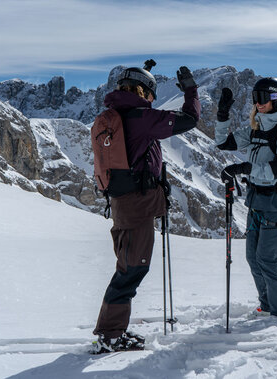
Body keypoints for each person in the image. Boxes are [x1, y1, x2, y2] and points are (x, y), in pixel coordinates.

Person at [92, 63, 200, 353]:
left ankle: (110, 332)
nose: (152, 100)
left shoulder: (115, 115)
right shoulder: (140, 117)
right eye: (150, 94)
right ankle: (110, 335)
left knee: (128, 268)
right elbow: (189, 119)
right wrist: (191, 90)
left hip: (125, 204)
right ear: (143, 91)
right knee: (130, 271)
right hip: (136, 208)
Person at [214, 77, 277, 317]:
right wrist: (222, 114)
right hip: (255, 201)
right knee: (253, 257)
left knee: (268, 260)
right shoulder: (256, 127)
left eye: (262, 98)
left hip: (276, 203)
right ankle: (268, 305)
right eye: (255, 98)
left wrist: (244, 168)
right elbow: (223, 143)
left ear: (276, 100)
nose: (257, 103)